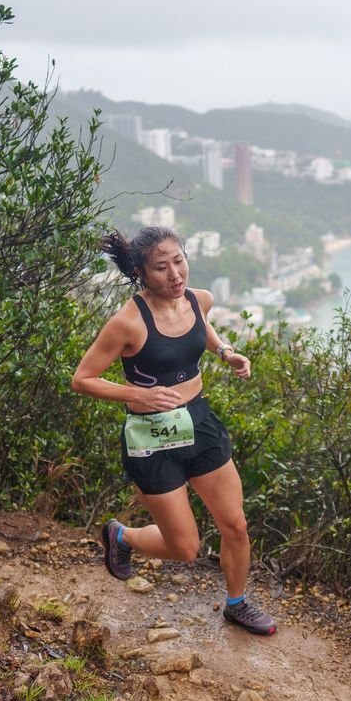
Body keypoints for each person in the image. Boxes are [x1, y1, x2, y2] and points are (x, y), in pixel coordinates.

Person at [70, 226, 276, 635]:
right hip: (151, 437)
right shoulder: (127, 323)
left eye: (179, 261)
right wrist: (135, 395)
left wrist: (225, 352)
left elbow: (200, 329)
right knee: (185, 548)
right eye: (161, 268)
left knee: (235, 524)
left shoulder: (200, 300)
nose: (175, 274)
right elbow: (83, 379)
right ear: (142, 274)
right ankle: (122, 536)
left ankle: (236, 603)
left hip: (198, 422)